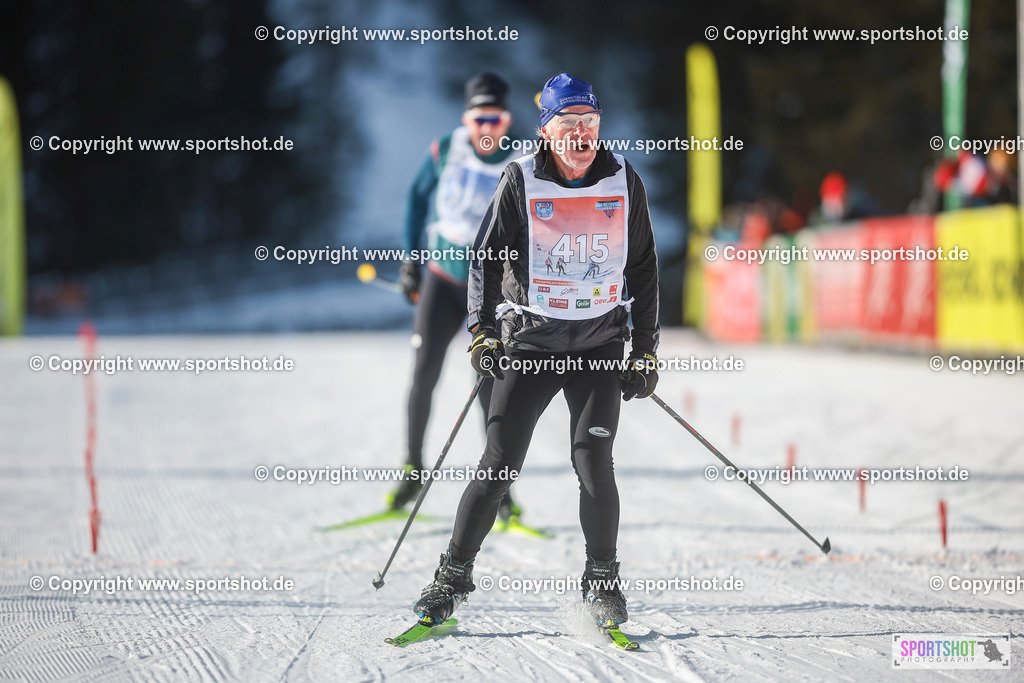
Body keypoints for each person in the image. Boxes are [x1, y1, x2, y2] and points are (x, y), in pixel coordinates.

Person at [412, 73, 660, 630]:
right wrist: (482, 332)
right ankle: (452, 577)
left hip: (598, 345)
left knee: (594, 462)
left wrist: (644, 351)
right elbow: (484, 257)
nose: (580, 134)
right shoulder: (520, 178)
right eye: (568, 123)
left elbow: (644, 267)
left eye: (589, 122)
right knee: (499, 464)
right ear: (546, 130)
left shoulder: (624, 180)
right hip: (531, 344)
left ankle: (602, 581)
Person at [389, 73, 523, 524]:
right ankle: (412, 470)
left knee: (489, 386)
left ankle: (500, 489)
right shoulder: (446, 149)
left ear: (507, 119)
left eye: (495, 119)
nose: (487, 128)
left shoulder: (524, 159)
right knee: (424, 373)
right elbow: (415, 199)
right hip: (443, 281)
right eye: (478, 118)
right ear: (466, 119)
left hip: (492, 293)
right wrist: (411, 261)